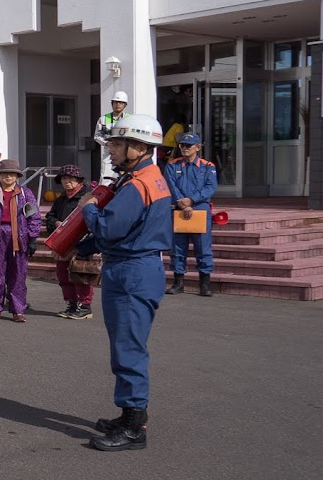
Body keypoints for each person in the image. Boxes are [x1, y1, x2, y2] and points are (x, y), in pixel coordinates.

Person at [79, 113, 173, 452]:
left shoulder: (136, 186)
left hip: (132, 271)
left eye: (117, 144)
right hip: (137, 267)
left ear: (139, 146)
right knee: (127, 345)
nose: (112, 151)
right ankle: (129, 414)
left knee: (128, 349)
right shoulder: (150, 177)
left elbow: (107, 228)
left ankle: (134, 427)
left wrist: (88, 208)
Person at [0, 159, 41, 323]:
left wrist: (32, 238)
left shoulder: (25, 194)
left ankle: (18, 310)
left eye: (12, 174)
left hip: (19, 236)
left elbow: (34, 217)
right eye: (5, 173)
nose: (8, 176)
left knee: (18, 275)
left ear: (17, 176)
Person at [163, 131, 218, 296]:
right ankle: (178, 282)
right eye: (182, 145)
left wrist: (191, 201)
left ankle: (205, 284)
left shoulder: (208, 167)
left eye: (188, 145)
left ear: (198, 147)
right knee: (178, 247)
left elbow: (210, 187)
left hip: (199, 209)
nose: (184, 148)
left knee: (203, 247)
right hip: (179, 209)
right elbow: (170, 185)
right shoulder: (172, 165)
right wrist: (182, 202)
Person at [44, 164, 95, 319]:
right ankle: (72, 304)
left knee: (80, 273)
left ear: (78, 180)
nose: (67, 182)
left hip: (82, 242)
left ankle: (85, 306)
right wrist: (56, 223)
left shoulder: (88, 197)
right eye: (64, 179)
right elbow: (50, 217)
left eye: (70, 179)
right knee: (63, 274)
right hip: (62, 243)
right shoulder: (61, 199)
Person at [94, 90, 130, 185]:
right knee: (106, 179)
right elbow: (97, 136)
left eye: (121, 103)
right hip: (109, 153)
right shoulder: (103, 119)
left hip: (125, 153)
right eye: (115, 102)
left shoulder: (129, 119)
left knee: (125, 178)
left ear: (125, 105)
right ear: (112, 104)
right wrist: (106, 143)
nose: (118, 104)